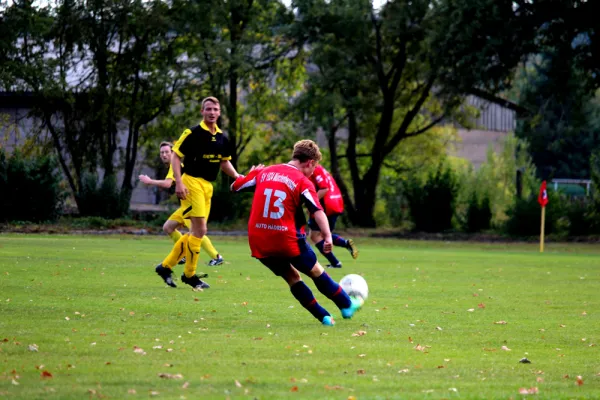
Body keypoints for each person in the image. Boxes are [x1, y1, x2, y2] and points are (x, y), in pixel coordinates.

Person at [231, 140, 363, 326]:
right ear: (309, 162)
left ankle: (324, 317)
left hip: (259, 240)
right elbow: (317, 211)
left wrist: (252, 173)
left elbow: (235, 187)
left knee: (292, 278)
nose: (313, 171)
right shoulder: (302, 181)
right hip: (286, 238)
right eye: (314, 166)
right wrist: (327, 236)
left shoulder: (265, 172)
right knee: (316, 271)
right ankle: (346, 305)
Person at [154, 97, 240, 290]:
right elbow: (176, 156)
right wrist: (179, 182)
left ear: (219, 112)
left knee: (196, 233)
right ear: (202, 111)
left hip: (207, 186)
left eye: (215, 109)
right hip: (191, 182)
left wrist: (237, 176)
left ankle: (166, 267)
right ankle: (189, 275)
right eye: (208, 109)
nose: (212, 112)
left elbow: (224, 162)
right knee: (200, 231)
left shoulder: (221, 138)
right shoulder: (192, 133)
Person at [139, 141, 224, 271]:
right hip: (185, 204)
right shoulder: (175, 165)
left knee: (197, 232)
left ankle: (216, 257)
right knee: (168, 227)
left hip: (191, 203)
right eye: (162, 152)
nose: (164, 155)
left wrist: (150, 181)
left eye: (167, 152)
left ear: (173, 153)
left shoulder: (175, 164)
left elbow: (168, 184)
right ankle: (183, 253)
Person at [308, 164, 358, 268]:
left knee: (317, 236)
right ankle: (345, 245)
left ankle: (336, 262)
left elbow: (324, 188)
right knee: (322, 234)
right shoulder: (320, 168)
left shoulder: (315, 169)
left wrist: (310, 202)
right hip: (335, 202)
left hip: (327, 205)